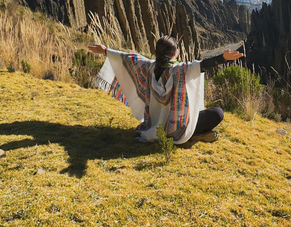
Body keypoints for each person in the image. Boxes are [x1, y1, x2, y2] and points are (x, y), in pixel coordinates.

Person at [88, 35, 244, 145]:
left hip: (153, 126)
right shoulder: (181, 70)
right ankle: (192, 135)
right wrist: (223, 58)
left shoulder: (147, 67)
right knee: (217, 113)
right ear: (175, 53)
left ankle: (193, 135)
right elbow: (203, 65)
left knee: (209, 114)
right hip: (178, 128)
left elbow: (126, 58)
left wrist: (105, 51)